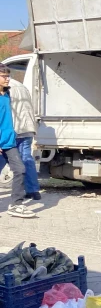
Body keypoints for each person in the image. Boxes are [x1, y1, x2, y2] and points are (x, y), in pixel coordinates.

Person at [0, 64, 35, 218]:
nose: (8, 79)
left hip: (9, 142)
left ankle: (16, 204)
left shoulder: (6, 95)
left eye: (8, 76)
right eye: (4, 76)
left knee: (20, 170)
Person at [8, 77, 41, 201]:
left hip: (13, 128)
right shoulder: (20, 85)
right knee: (26, 158)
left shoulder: (4, 88)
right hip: (27, 127)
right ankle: (33, 191)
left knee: (3, 158)